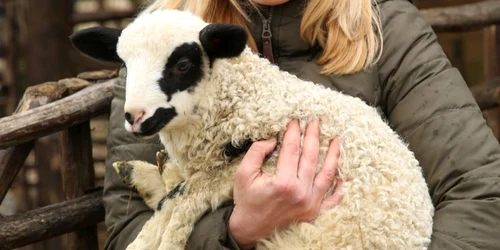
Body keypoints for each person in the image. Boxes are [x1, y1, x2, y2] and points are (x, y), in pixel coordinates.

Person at [102, 0, 500, 249]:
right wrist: (235, 231)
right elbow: (128, 228)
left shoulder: (387, 28)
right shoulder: (157, 40)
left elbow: (481, 192)